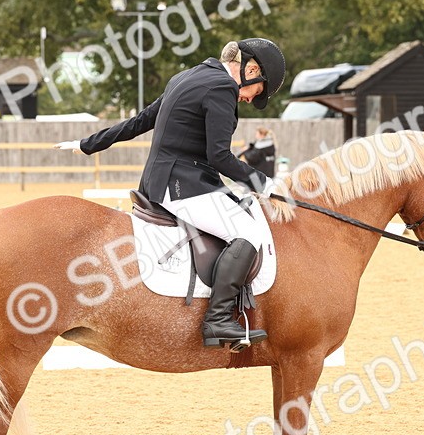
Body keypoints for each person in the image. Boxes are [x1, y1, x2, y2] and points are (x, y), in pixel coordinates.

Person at [55, 37, 286, 348]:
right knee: (249, 232)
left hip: (158, 181)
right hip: (184, 186)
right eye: (254, 92)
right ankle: (217, 320)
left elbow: (139, 122)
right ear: (251, 69)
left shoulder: (186, 76)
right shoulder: (223, 87)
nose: (247, 99)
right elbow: (220, 156)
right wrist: (266, 184)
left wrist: (88, 144)